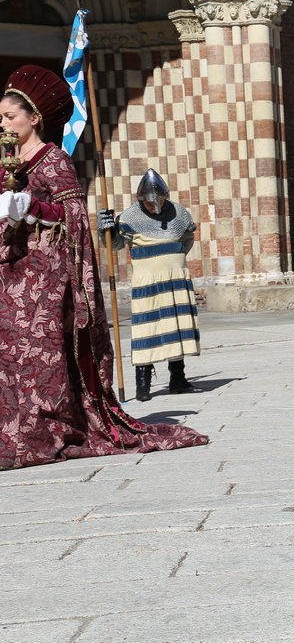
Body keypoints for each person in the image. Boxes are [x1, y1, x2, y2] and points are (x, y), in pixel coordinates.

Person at [0, 65, 207, 470]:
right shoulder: (5, 162)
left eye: (9, 117)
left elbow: (74, 215)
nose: (3, 124)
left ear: (34, 118)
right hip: (9, 272)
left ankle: (51, 426)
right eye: (0, 118)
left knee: (40, 354)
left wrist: (32, 208)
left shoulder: (53, 158)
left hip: (44, 278)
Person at [98, 170, 203, 401]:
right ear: (141, 200)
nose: (155, 206)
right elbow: (114, 245)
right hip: (147, 281)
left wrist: (173, 260)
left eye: (160, 201)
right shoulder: (129, 217)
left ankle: (178, 380)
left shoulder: (179, 213)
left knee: (177, 325)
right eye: (149, 202)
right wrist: (105, 229)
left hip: (175, 278)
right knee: (147, 328)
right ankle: (143, 385)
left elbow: (187, 240)